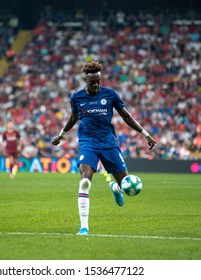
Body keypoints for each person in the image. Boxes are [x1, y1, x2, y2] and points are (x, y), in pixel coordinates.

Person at [51, 61, 156, 235]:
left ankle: (115, 188)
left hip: (109, 143)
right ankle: (84, 227)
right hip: (88, 143)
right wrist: (61, 134)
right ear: (85, 80)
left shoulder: (110, 94)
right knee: (84, 182)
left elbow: (126, 116)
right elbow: (73, 118)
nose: (96, 85)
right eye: (92, 82)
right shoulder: (76, 97)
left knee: (125, 185)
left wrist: (145, 134)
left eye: (98, 81)